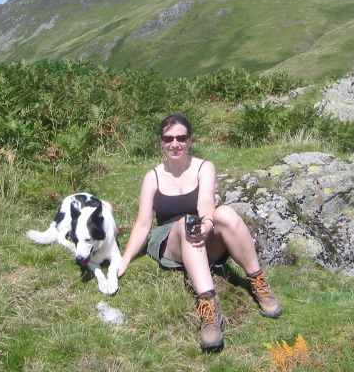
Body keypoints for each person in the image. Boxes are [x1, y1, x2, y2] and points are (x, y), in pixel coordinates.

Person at [117, 113, 281, 351]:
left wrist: (206, 224)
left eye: (181, 138)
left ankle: (259, 283)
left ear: (190, 140)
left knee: (225, 213)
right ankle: (209, 310)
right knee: (186, 223)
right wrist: (125, 259)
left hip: (198, 232)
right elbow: (143, 224)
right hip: (169, 240)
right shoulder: (152, 177)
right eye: (168, 138)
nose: (175, 144)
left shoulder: (204, 167)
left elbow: (206, 202)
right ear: (161, 142)